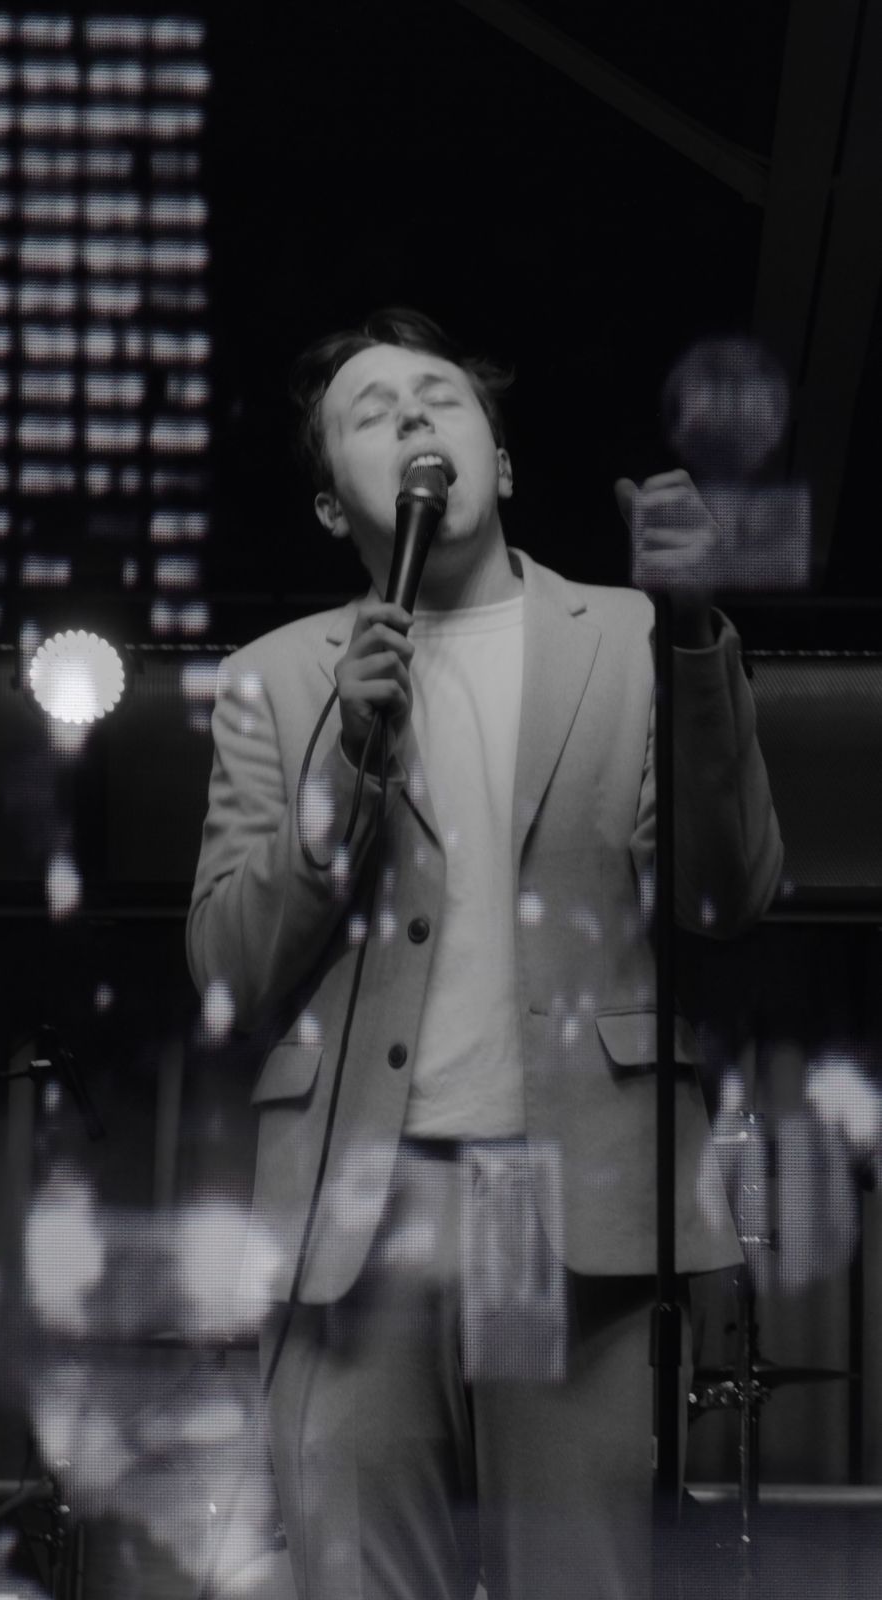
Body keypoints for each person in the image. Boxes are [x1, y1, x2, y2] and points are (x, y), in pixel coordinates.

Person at [187, 308, 783, 1599]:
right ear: (332, 508)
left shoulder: (632, 637)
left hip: (571, 1203)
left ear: (499, 462)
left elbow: (726, 894)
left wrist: (693, 639)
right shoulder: (273, 680)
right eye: (370, 411)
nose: (412, 414)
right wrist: (341, 765)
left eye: (440, 396)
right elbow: (227, 971)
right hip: (360, 1213)